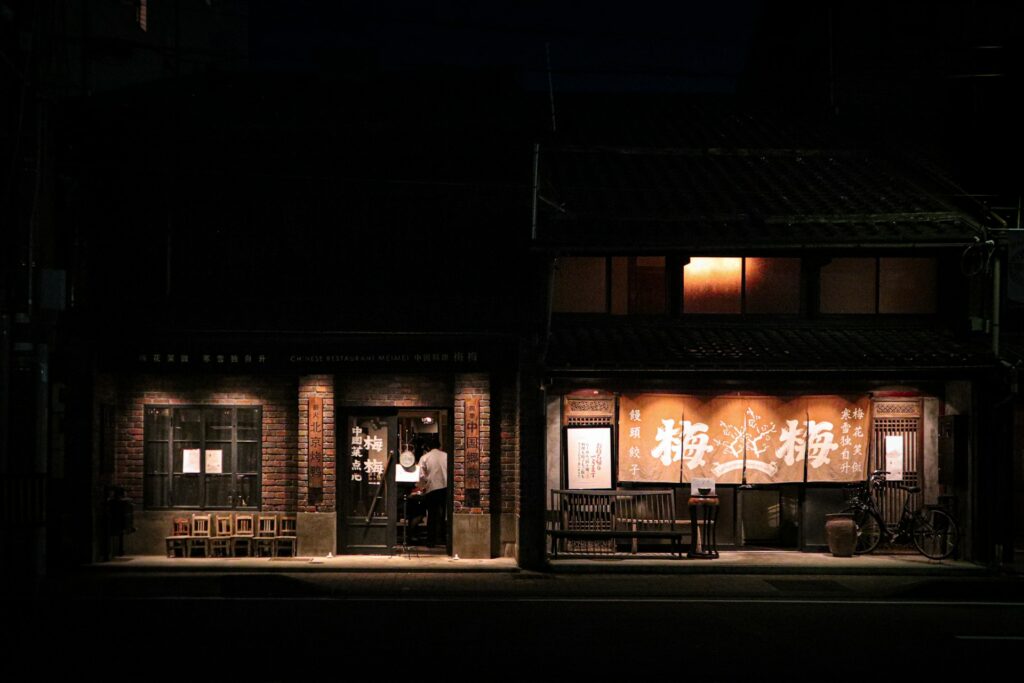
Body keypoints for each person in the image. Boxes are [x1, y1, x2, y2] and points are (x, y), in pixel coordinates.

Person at [417, 436, 448, 547]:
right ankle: (444, 539)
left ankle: (431, 541)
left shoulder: (425, 457)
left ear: (429, 447)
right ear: (440, 446)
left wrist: (424, 484)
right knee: (444, 514)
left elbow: (421, 475)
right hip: (446, 488)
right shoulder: (446, 456)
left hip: (432, 488)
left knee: (432, 515)